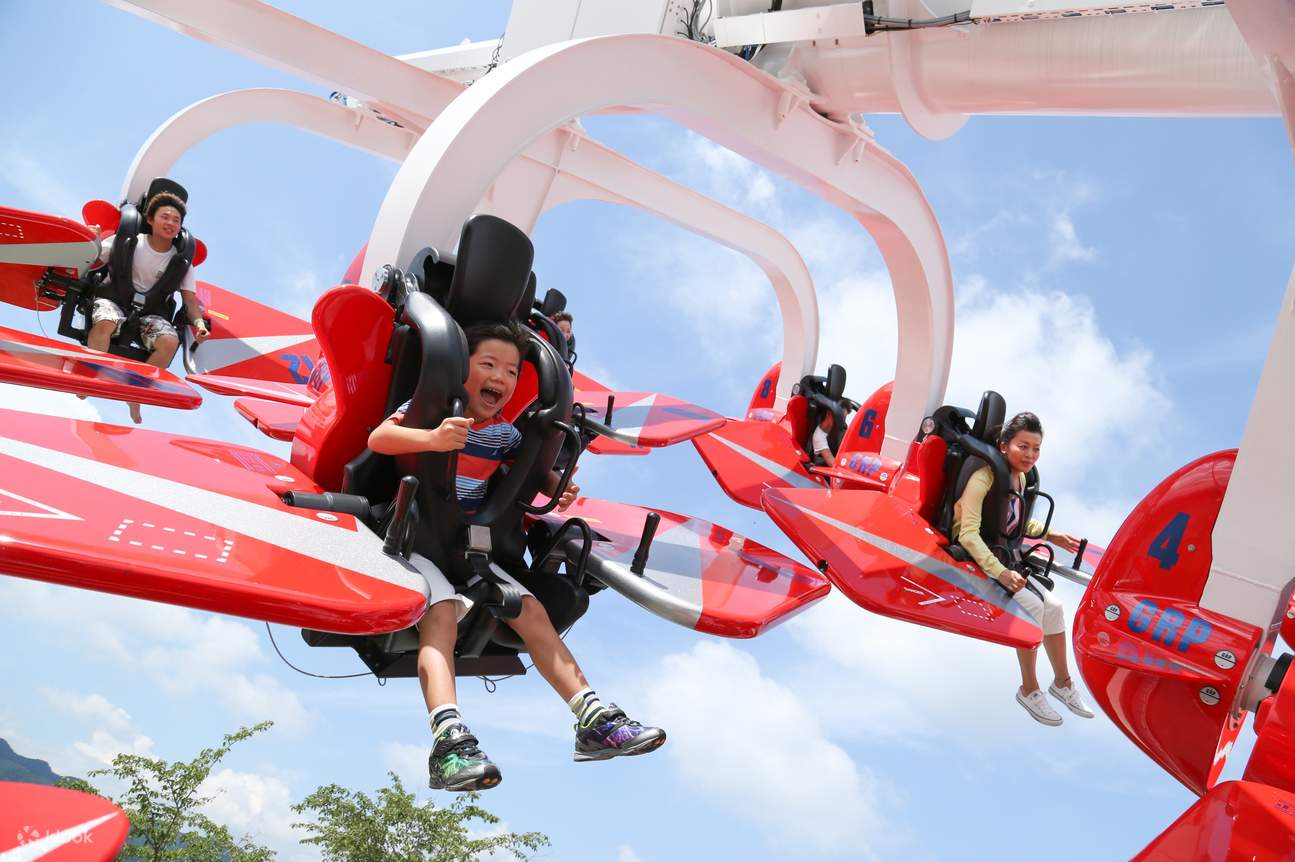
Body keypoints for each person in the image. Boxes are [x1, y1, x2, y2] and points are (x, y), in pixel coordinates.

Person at [368, 320, 665, 791]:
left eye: (511, 371)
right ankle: (449, 742)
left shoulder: (503, 432)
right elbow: (378, 439)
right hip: (418, 540)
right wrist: (431, 439)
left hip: (469, 547)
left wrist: (555, 486)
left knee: (530, 610)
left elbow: (523, 468)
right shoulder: (431, 411)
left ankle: (593, 719)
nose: (501, 378)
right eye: (488, 365)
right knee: (440, 614)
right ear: (460, 368)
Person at [952, 411, 1094, 726]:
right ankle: (1029, 689)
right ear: (1004, 446)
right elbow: (969, 534)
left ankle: (1062, 684)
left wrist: (1048, 533)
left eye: (1036, 448)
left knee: (1055, 608)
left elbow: (1012, 521)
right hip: (978, 557)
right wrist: (999, 572)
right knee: (1033, 610)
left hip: (1006, 554)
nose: (1030, 455)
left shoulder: (1023, 478)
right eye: (1023, 447)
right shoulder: (983, 478)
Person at [87, 191, 210, 423]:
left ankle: (135, 394)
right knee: (106, 321)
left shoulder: (182, 262)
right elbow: (91, 260)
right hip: (113, 301)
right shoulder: (125, 241)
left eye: (176, 220)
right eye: (165, 217)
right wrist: (91, 241)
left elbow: (190, 301)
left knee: (169, 341)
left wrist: (199, 324)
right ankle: (91, 377)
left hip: (150, 314)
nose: (171, 223)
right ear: (150, 220)